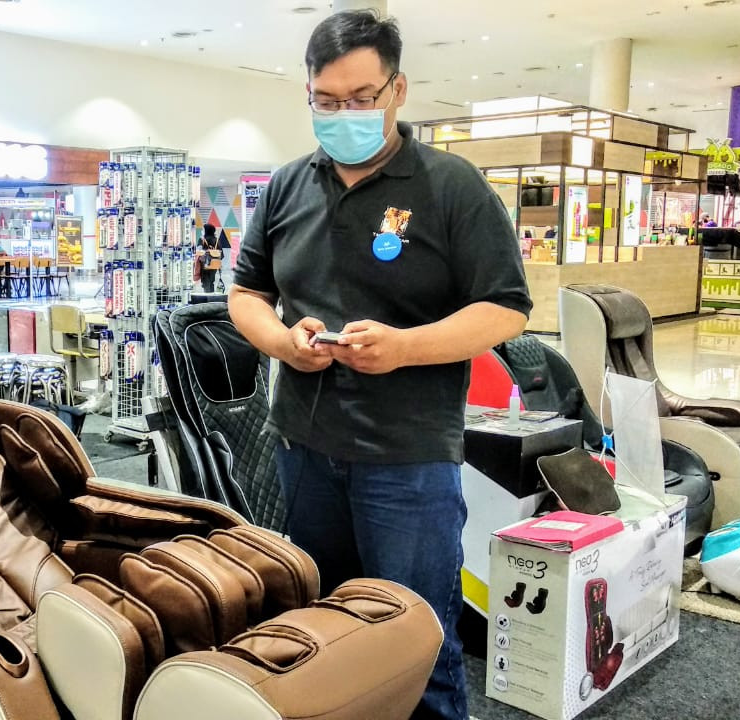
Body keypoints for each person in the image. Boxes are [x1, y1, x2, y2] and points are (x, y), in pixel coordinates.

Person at [227, 11, 530, 720]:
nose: (344, 115)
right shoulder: (286, 186)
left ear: (398, 90)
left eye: (361, 98)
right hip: (305, 445)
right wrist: (279, 341)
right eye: (326, 101)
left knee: (417, 639)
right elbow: (245, 293)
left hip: (407, 454)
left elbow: (506, 309)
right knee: (329, 630)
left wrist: (403, 348)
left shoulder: (450, 186)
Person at [200, 223, 224, 293]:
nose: (202, 231)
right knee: (211, 282)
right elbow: (221, 255)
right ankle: (211, 298)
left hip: (205, 266)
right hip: (214, 266)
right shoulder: (217, 241)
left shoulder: (202, 240)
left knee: (205, 283)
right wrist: (214, 258)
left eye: (203, 229)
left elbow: (199, 253)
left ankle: (207, 299)